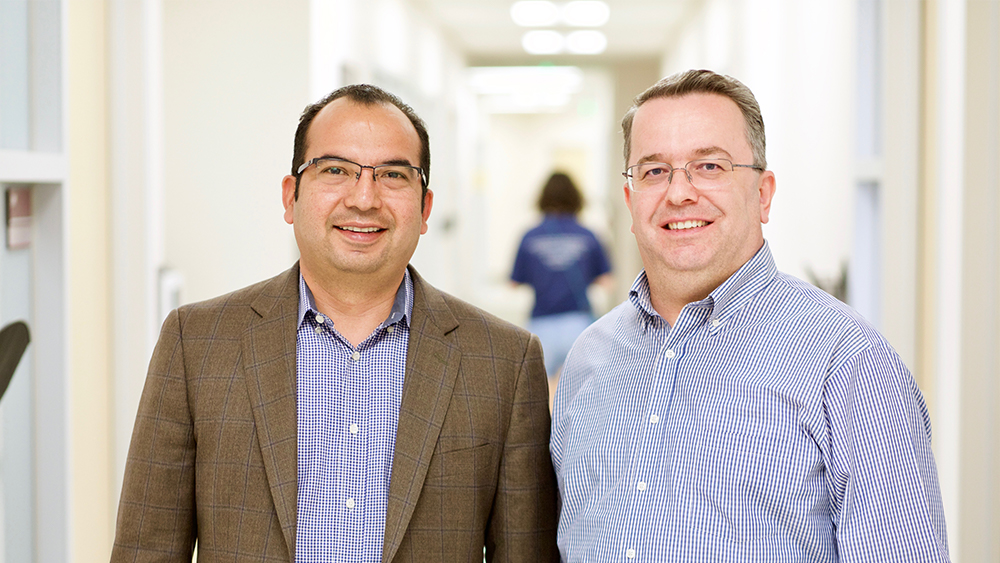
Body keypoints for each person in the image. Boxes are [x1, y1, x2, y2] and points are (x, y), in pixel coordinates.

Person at [111, 84, 558, 562]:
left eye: (392, 174)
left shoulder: (503, 362)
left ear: (425, 208)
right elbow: (147, 548)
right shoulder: (197, 344)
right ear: (291, 197)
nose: (364, 198)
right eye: (335, 170)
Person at [550, 69, 950, 562]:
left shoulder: (849, 363)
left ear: (763, 194)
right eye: (654, 171)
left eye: (710, 167)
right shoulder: (591, 358)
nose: (679, 194)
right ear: (631, 202)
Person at [511, 172, 611, 384]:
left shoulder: (530, 236)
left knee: (535, 395)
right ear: (577, 198)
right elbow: (607, 281)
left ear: (542, 198)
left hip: (541, 325)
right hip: (578, 324)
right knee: (580, 392)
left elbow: (514, 283)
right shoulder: (588, 235)